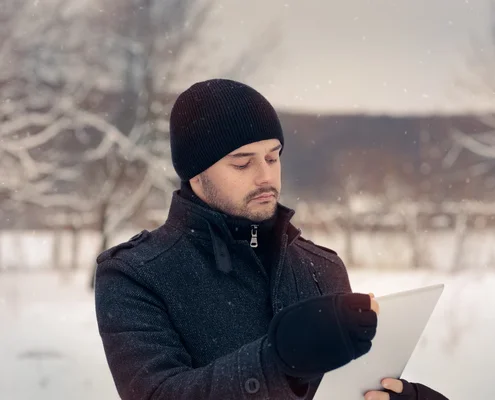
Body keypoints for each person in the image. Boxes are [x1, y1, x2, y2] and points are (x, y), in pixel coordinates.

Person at [94, 78, 449, 400]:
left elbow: (344, 388)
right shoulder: (135, 276)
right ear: (195, 174)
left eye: (272, 156)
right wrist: (277, 359)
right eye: (242, 163)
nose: (266, 176)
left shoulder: (320, 267)